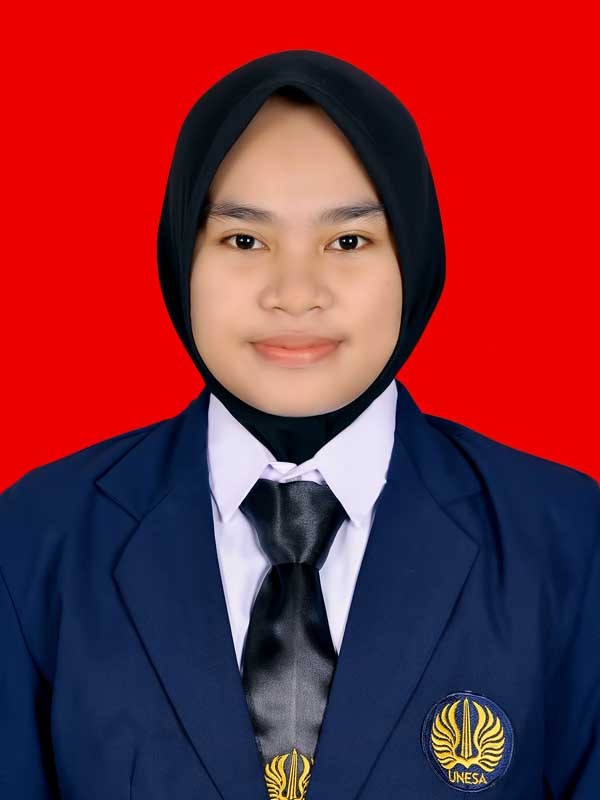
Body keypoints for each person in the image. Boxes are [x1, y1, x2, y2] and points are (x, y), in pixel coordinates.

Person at [0, 49, 598, 800]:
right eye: (244, 240)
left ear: (414, 256)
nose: (294, 293)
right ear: (182, 255)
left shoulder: (568, 539)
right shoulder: (38, 538)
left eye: (348, 241)